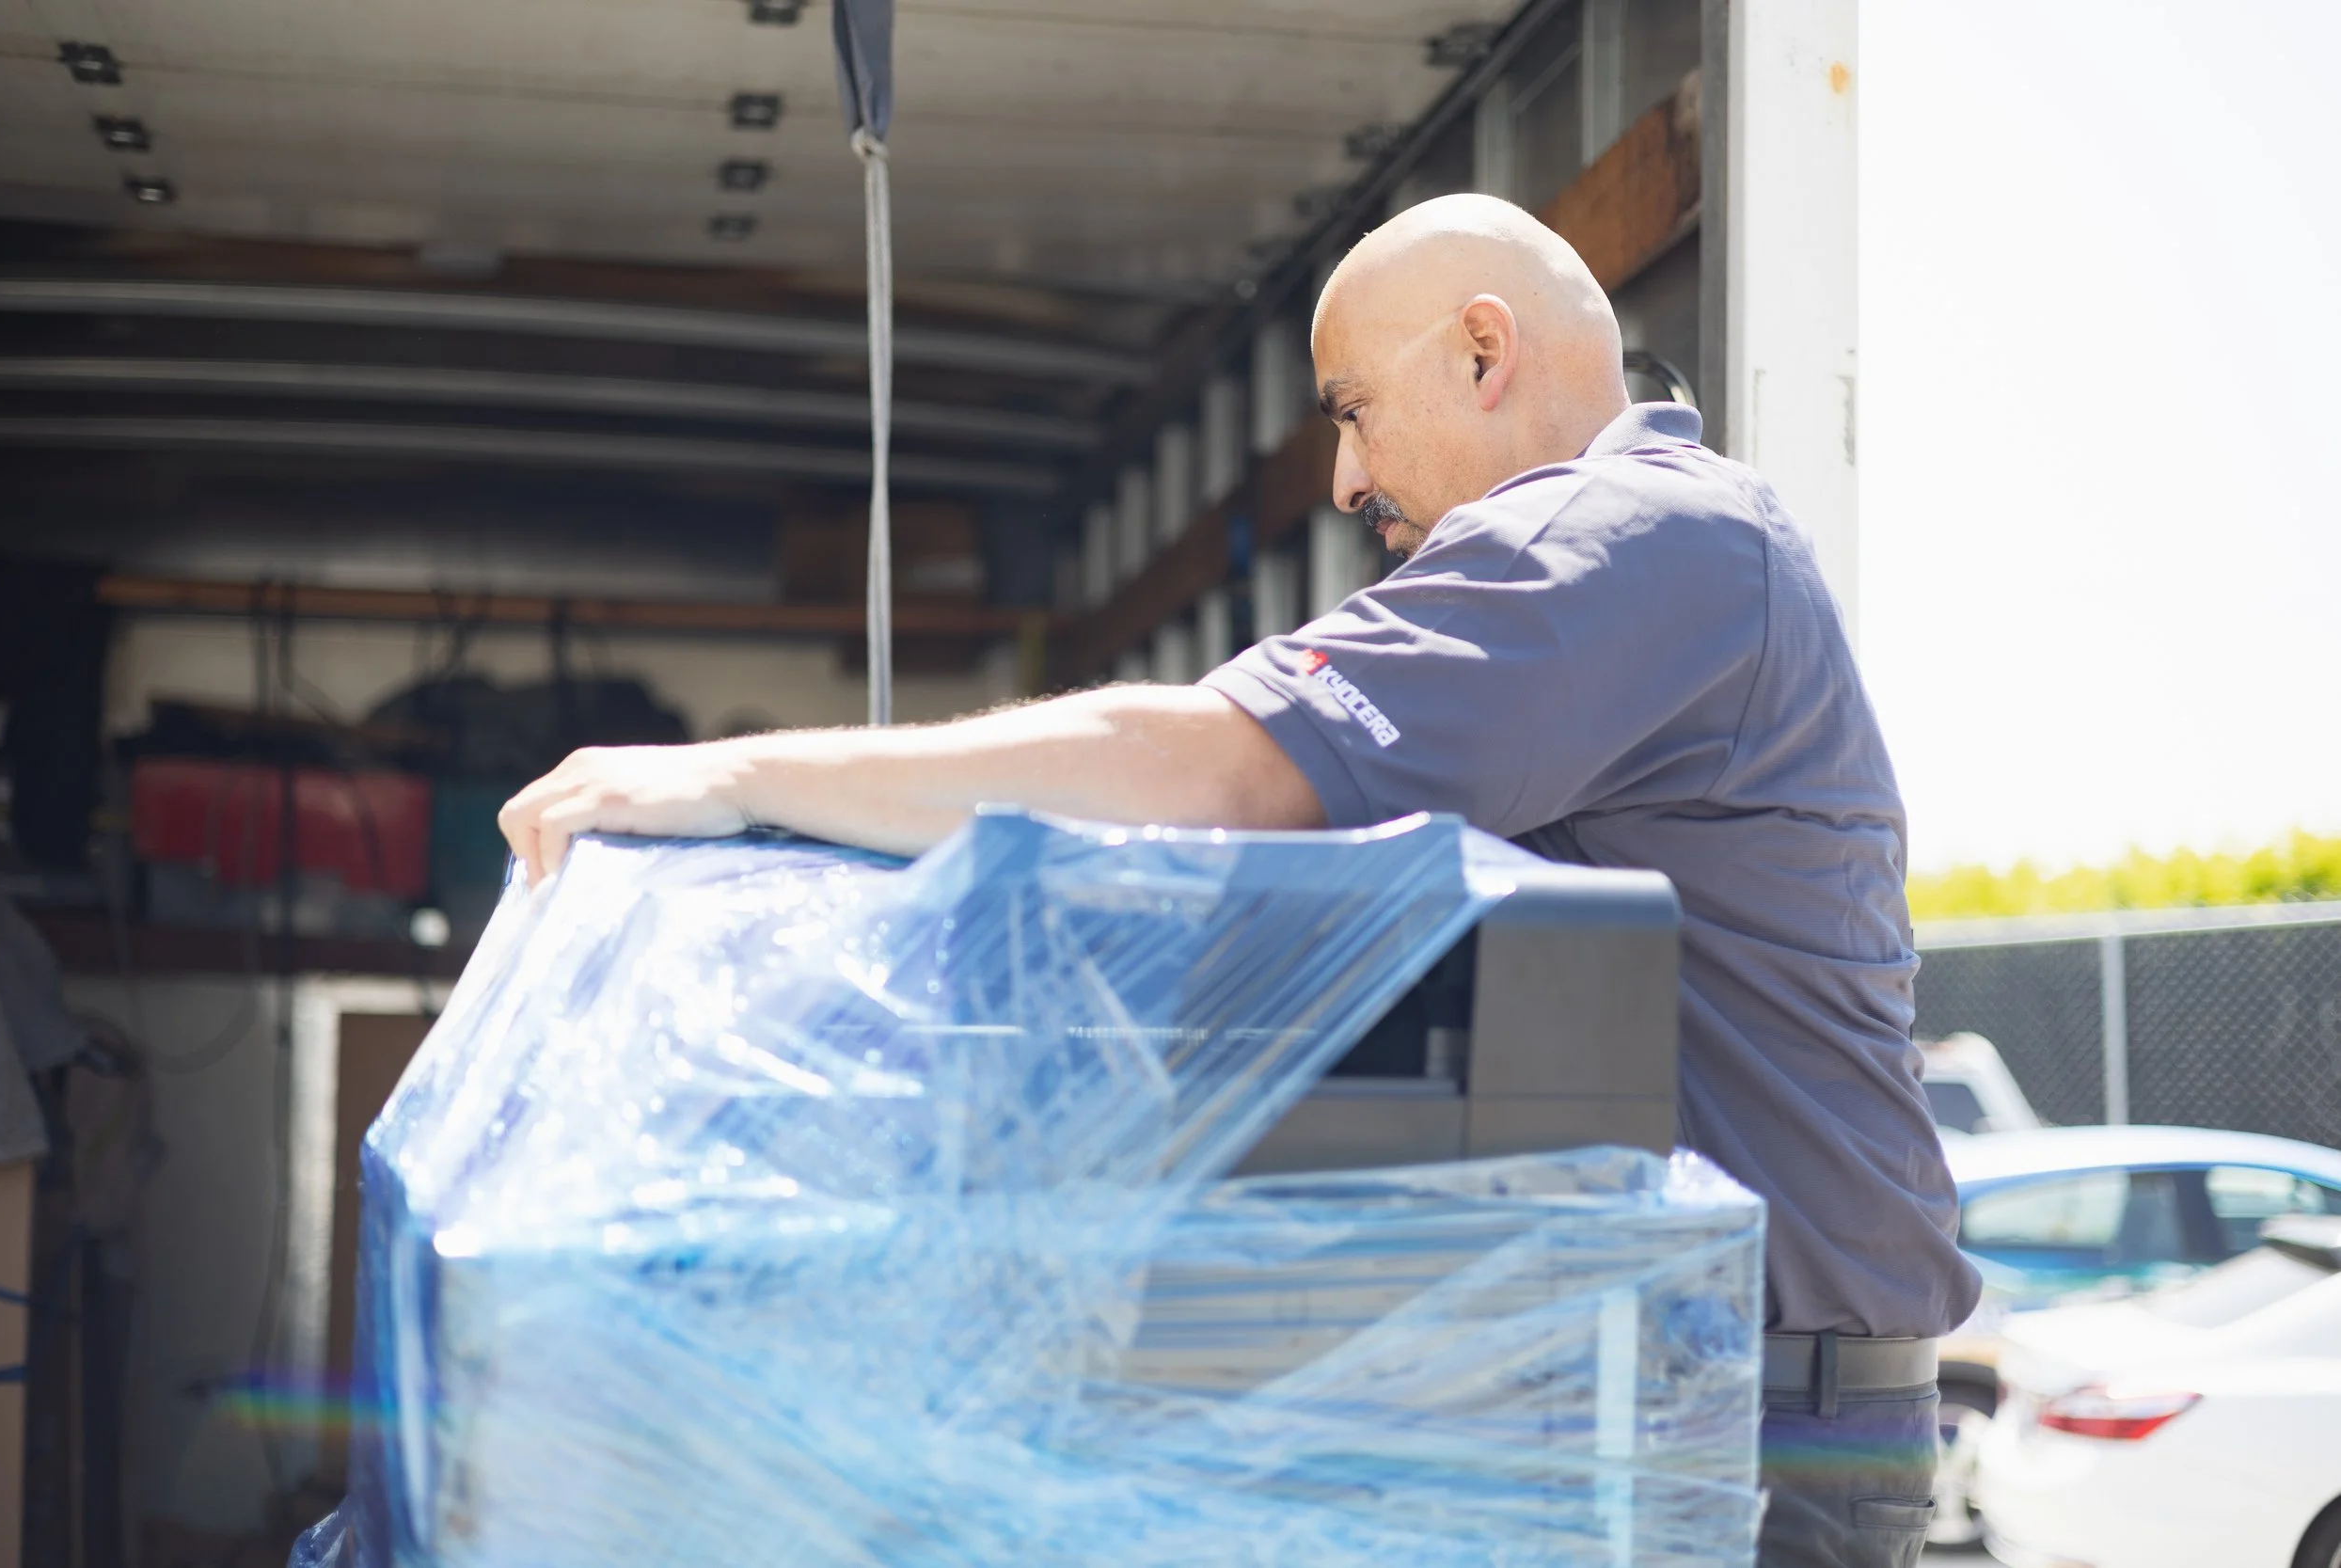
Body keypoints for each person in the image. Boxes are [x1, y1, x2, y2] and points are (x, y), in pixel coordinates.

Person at [499, 193, 1979, 1568]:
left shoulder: (1636, 538)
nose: (1341, 477)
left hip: (1759, 1433)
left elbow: (1218, 768)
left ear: (1482, 351)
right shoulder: (1653, 562)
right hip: (1697, 1394)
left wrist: (741, 777)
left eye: (1352, 412)